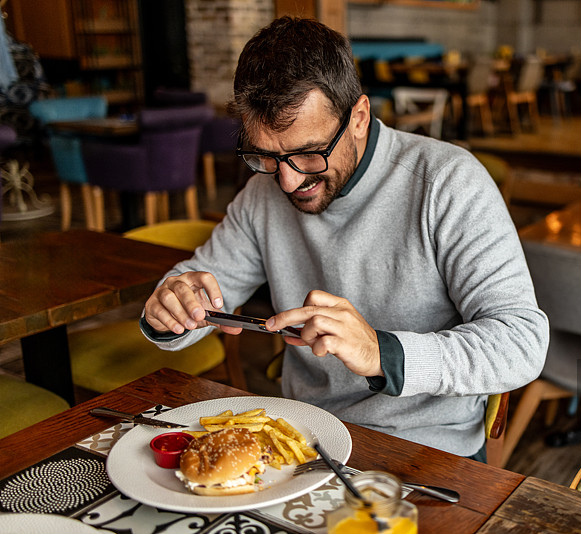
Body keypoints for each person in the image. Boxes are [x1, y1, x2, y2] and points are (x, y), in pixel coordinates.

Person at [140, 17, 549, 461]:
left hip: (427, 450)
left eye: (309, 154)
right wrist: (171, 306)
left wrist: (380, 352)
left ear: (358, 117)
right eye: (266, 156)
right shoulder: (263, 192)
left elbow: (521, 342)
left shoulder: (446, 181)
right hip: (304, 444)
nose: (288, 182)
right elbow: (200, 286)